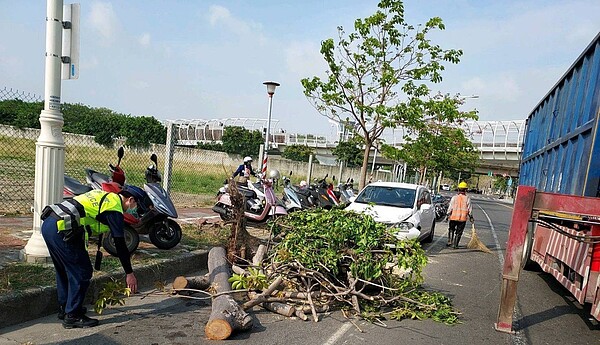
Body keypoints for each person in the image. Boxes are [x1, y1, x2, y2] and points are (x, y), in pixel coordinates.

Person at [40, 186, 143, 329]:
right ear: (130, 200)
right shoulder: (114, 207)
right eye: (136, 205)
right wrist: (129, 273)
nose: (135, 210)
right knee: (82, 272)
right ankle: (72, 316)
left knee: (64, 270)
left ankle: (66, 308)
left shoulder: (104, 196)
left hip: (50, 224)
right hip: (62, 229)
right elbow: (120, 244)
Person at [446, 181, 474, 249]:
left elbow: (450, 207)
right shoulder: (467, 198)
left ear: (458, 189)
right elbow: (469, 208)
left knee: (451, 229)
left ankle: (450, 241)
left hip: (453, 217)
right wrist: (471, 217)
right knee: (459, 232)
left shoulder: (454, 198)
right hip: (462, 219)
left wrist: (448, 214)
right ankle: (455, 245)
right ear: (465, 190)